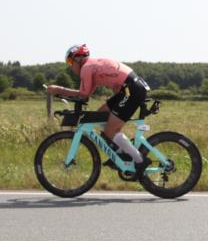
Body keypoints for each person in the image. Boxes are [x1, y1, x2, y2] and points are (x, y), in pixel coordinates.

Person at [46, 44, 152, 175]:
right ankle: (120, 154)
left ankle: (140, 160)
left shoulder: (86, 67)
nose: (70, 66)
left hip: (131, 90)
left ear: (78, 59)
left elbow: (83, 94)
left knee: (111, 130)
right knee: (100, 115)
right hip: (128, 89)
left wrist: (58, 89)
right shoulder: (91, 67)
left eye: (70, 61)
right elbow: (86, 95)